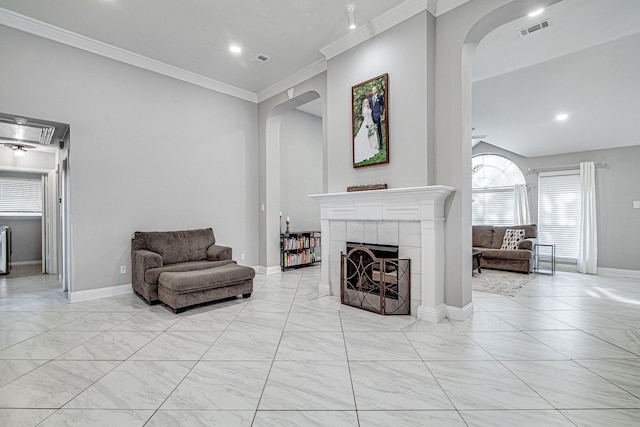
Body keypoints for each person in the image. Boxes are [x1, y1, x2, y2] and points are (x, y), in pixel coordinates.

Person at [353, 98, 379, 163]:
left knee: (372, 134)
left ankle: (373, 145)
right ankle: (369, 147)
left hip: (371, 122)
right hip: (367, 124)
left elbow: (370, 116)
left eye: (367, 102)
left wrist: (371, 124)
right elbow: (366, 118)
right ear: (364, 103)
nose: (367, 103)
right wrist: (368, 126)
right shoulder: (365, 110)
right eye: (365, 102)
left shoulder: (368, 108)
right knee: (367, 135)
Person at [369, 85, 385, 150]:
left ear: (376, 90)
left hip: (377, 115)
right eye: (372, 90)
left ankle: (381, 144)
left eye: (374, 90)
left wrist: (381, 113)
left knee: (379, 131)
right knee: (373, 131)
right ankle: (374, 145)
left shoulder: (380, 96)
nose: (373, 91)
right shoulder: (370, 99)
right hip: (372, 116)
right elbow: (370, 107)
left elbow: (383, 105)